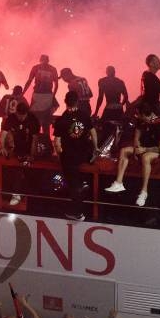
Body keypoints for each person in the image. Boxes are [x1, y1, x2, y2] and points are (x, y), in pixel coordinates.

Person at [104, 102, 160, 206]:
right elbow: (136, 138)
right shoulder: (141, 122)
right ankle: (119, 183)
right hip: (142, 148)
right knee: (124, 150)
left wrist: (145, 150)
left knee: (146, 158)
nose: (136, 116)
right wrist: (137, 149)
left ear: (144, 114)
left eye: (138, 114)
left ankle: (144, 192)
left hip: (154, 151)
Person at [52, 90, 97, 221]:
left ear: (65, 102)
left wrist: (59, 154)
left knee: (72, 184)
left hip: (70, 156)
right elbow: (93, 132)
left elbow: (57, 142)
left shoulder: (62, 119)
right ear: (77, 101)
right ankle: (83, 183)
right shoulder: (84, 115)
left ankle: (77, 213)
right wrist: (96, 148)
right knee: (78, 180)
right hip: (84, 153)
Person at [0, 100, 40, 206]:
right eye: (19, 116)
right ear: (16, 113)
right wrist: (2, 147)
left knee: (28, 172)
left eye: (23, 116)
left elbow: (35, 139)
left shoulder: (33, 119)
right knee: (13, 170)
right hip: (14, 147)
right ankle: (13, 194)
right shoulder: (11, 118)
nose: (21, 118)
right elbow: (3, 133)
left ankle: (28, 197)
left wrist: (32, 155)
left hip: (27, 147)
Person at [23, 55, 59, 136]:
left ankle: (41, 141)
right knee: (41, 121)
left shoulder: (37, 68)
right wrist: (53, 95)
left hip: (41, 96)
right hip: (42, 95)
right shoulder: (51, 69)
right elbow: (56, 84)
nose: (44, 63)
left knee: (39, 120)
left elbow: (29, 81)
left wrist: (22, 93)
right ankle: (42, 142)